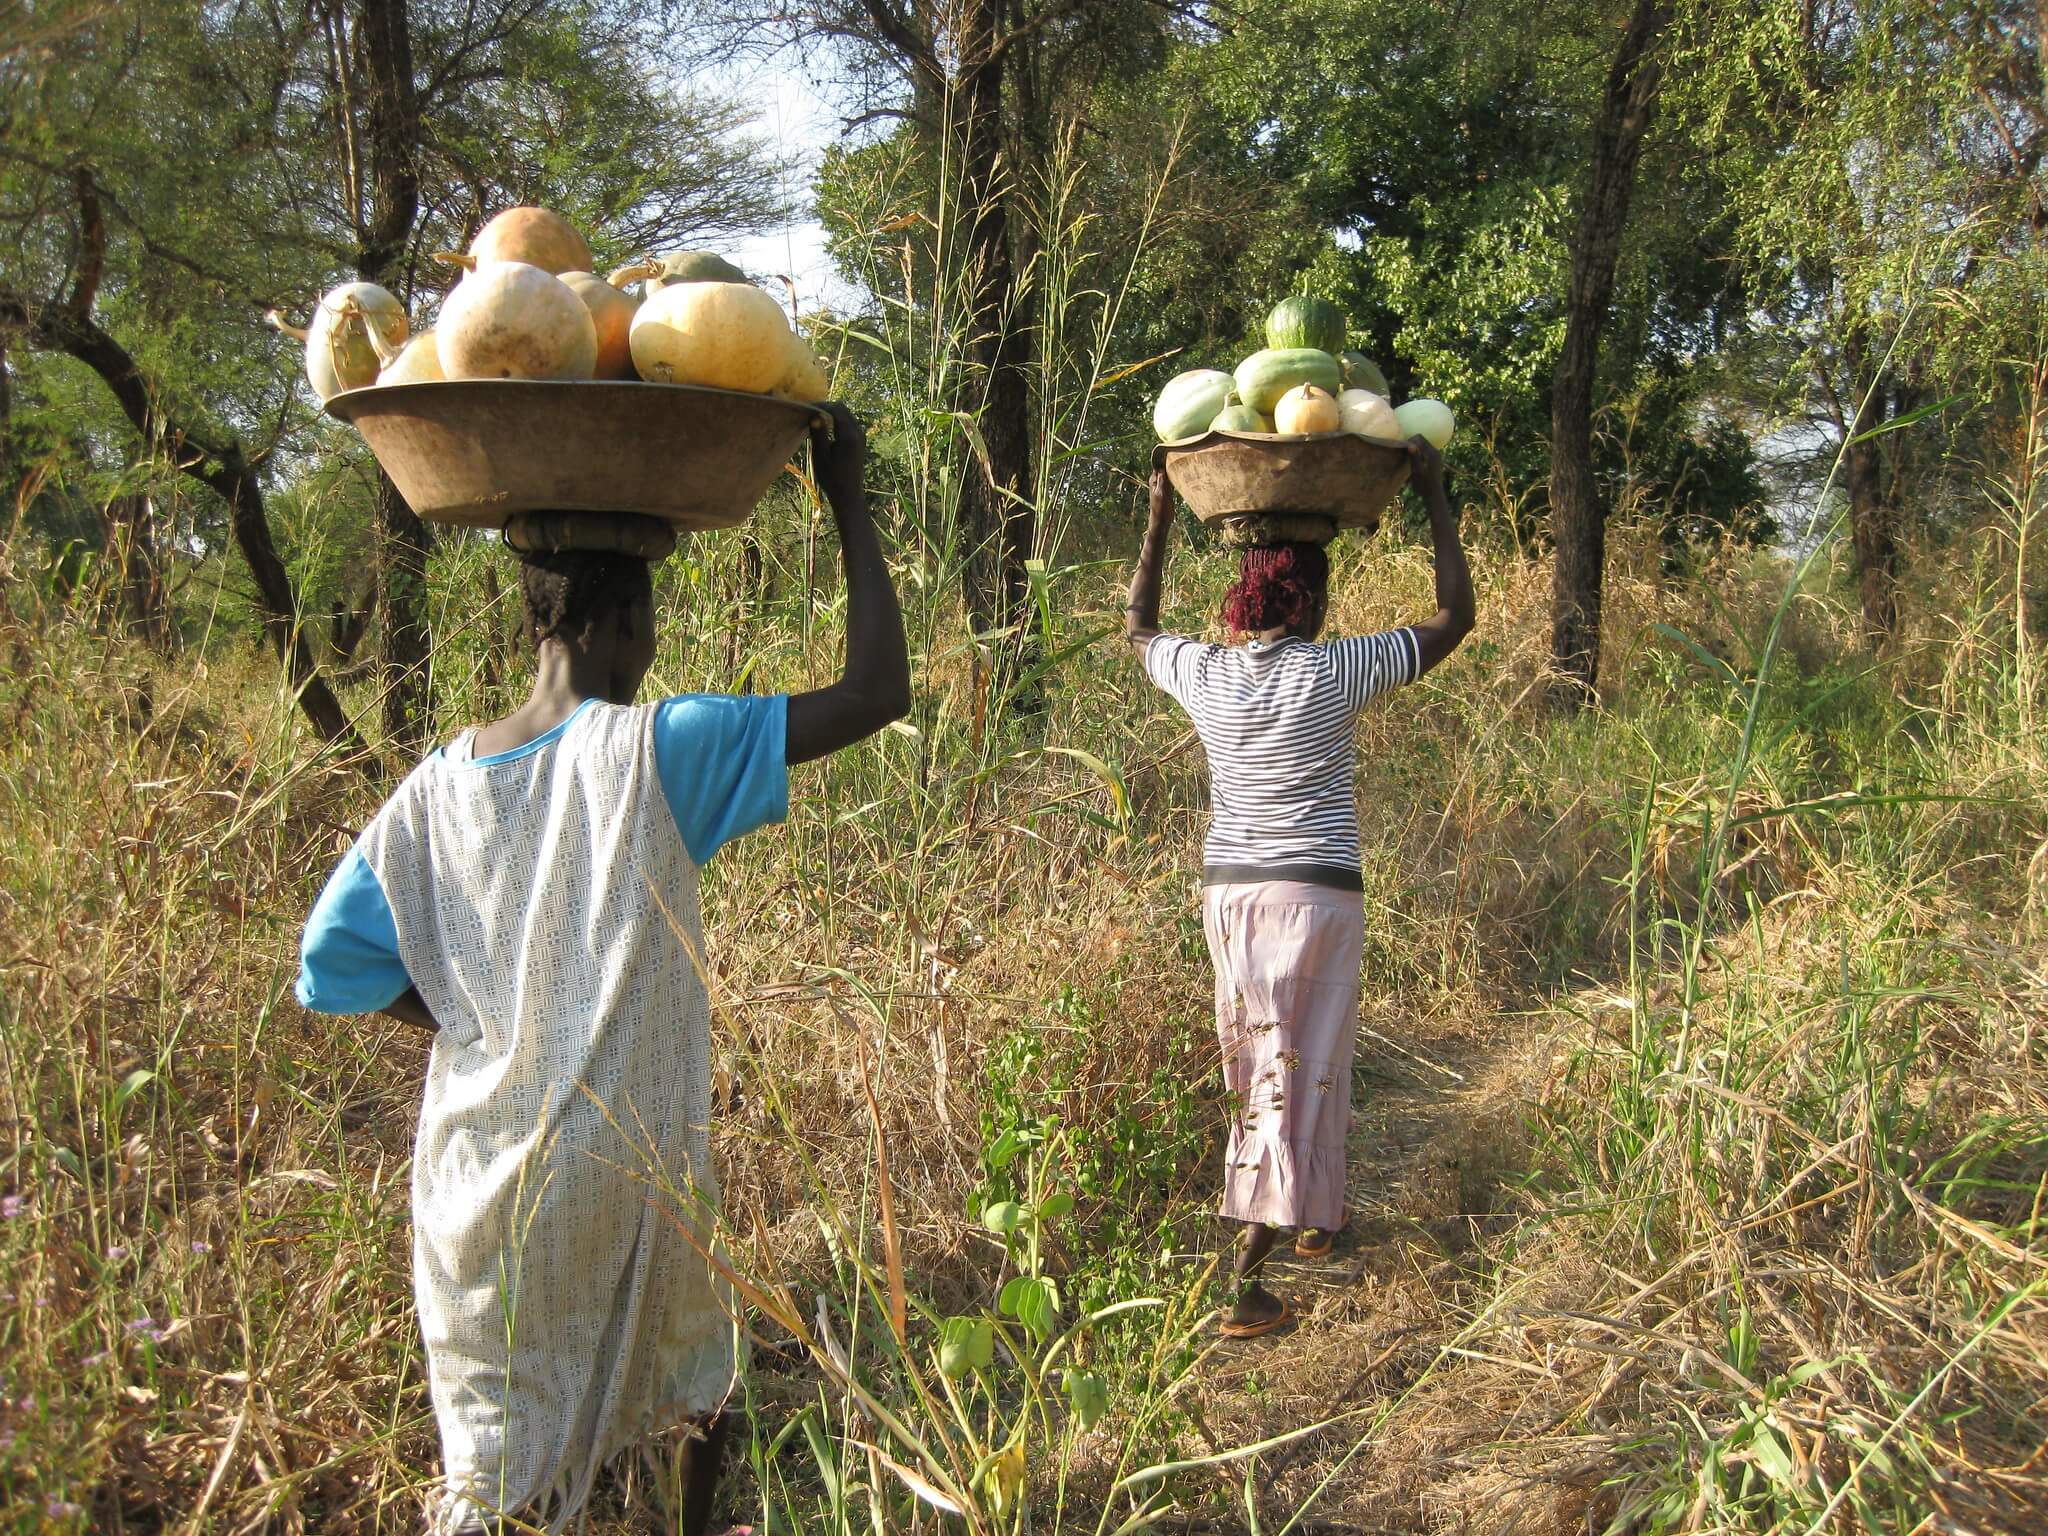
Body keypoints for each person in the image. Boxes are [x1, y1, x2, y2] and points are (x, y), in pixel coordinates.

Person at [294, 404, 909, 1533]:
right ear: (628, 621)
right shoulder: (660, 748)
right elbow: (877, 691)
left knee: (497, 1469)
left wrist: (476, 1020)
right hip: (625, 1162)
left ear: (535, 620)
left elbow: (327, 964)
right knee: (695, 1392)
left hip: (475, 1175)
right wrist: (847, 492)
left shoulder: (432, 790)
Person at [1124, 437, 1474, 1338]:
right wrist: (1434, 490)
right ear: (1312, 600)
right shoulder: (1334, 670)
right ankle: (1238, 1279)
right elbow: (1453, 617)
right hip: (1317, 895)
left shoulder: (1205, 674)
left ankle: (1316, 1218)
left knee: (1262, 1063)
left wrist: (1159, 516)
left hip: (1233, 896)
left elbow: (1138, 628)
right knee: (1299, 1069)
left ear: (1243, 598)